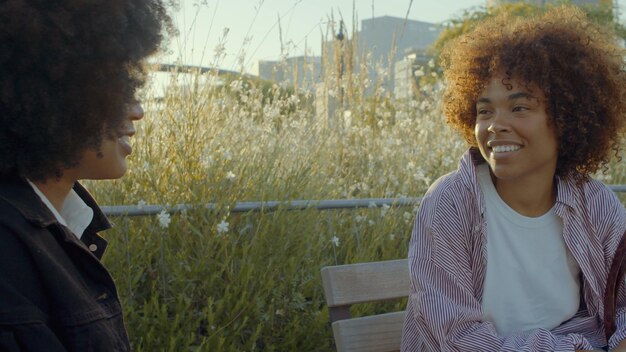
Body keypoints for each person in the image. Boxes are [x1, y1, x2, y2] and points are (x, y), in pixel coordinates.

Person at [401, 5, 626, 352]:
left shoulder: (595, 204)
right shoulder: (449, 204)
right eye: (485, 110)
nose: (494, 125)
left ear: (566, 118)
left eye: (519, 107)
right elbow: (454, 338)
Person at [0, 0, 169, 350]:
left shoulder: (52, 227)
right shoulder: (9, 255)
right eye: (119, 88)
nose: (137, 111)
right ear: (53, 91)